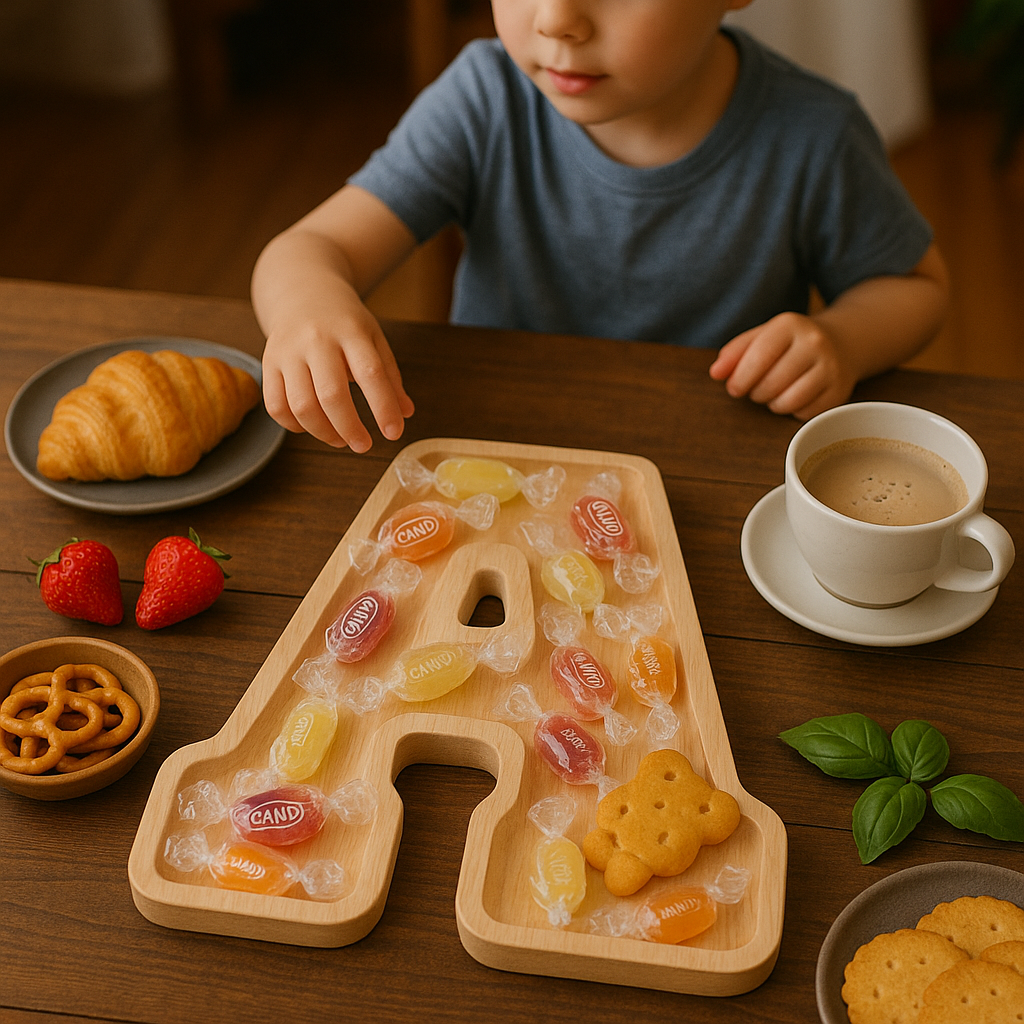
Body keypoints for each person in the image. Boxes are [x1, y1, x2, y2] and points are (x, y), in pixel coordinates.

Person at [251, 0, 949, 453]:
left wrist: (842, 341)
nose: (556, 18)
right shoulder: (487, 95)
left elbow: (917, 286)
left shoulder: (814, 135)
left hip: (710, 475)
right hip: (495, 460)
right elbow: (310, 249)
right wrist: (309, 304)